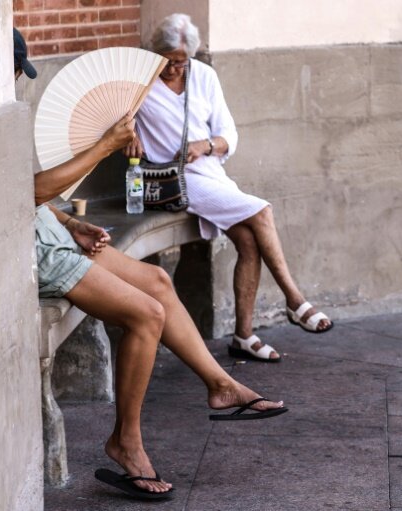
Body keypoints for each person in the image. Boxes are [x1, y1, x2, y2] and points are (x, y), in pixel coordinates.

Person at [13, 28, 286, 500]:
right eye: (18, 69)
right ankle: (126, 442)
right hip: (37, 250)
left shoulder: (5, 107)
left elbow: (29, 195)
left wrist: (72, 223)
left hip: (51, 230)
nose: (20, 78)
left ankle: (221, 384)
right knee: (147, 315)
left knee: (157, 280)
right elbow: (31, 191)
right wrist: (104, 145)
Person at [126, 14, 334, 363]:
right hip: (173, 180)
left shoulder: (204, 76)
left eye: (181, 61)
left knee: (249, 241)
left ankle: (243, 336)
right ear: (154, 52)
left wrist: (205, 145)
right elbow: (116, 122)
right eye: (167, 60)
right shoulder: (138, 83)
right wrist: (128, 135)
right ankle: (295, 299)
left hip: (210, 173)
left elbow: (228, 136)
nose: (174, 68)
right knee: (262, 211)